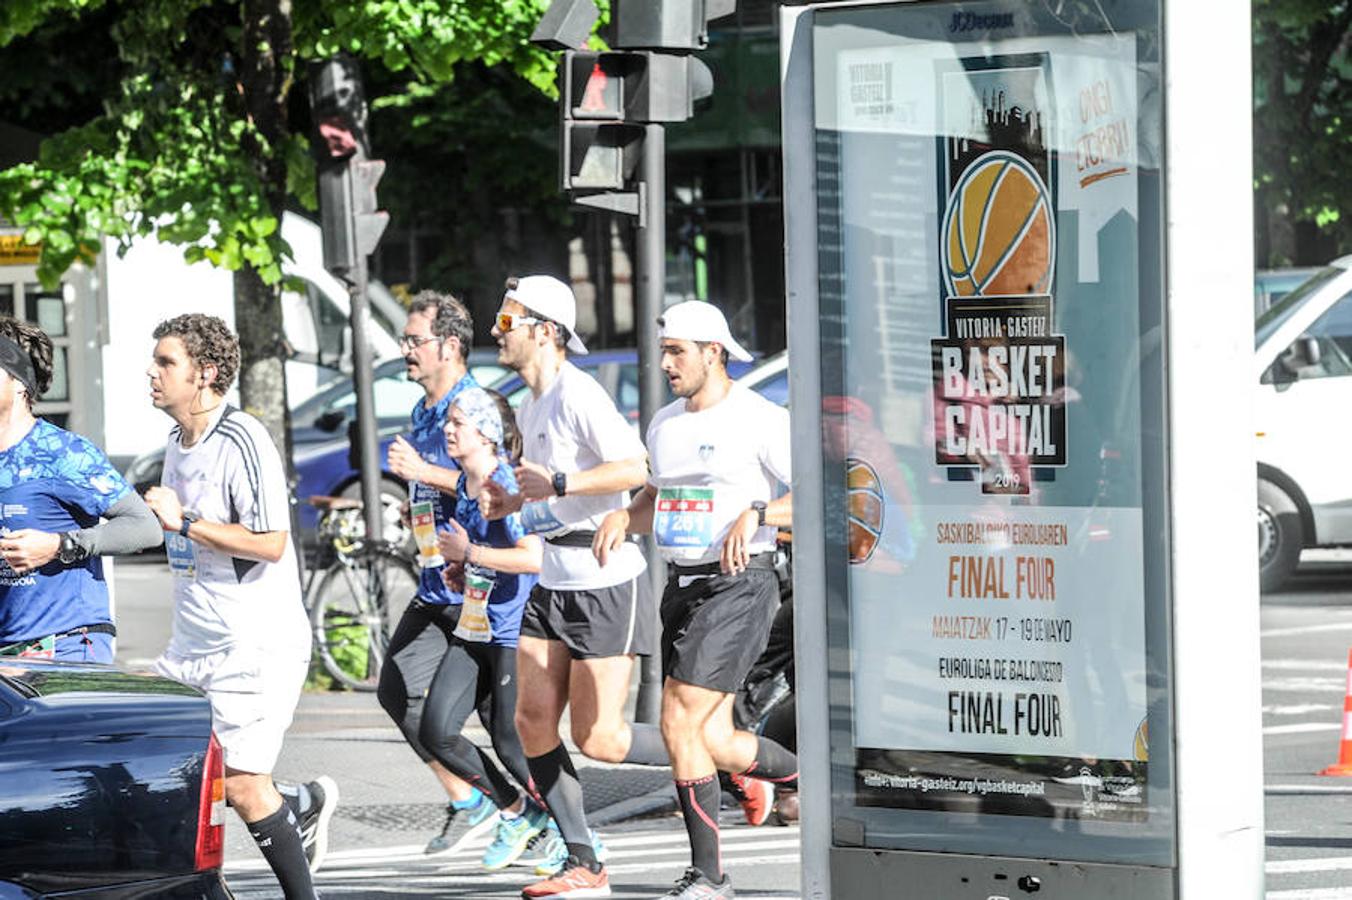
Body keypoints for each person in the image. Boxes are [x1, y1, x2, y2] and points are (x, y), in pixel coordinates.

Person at [594, 301, 799, 899]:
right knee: (709, 740)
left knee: (677, 718)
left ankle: (709, 877)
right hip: (682, 586)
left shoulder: (758, 417)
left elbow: (819, 492)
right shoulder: (665, 423)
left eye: (677, 351)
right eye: (663, 351)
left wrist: (759, 513)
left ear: (714, 352)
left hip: (742, 582)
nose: (665, 363)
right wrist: (622, 517)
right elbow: (658, 495)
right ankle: (796, 775)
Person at [480, 275, 666, 898]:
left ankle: (709, 752)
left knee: (600, 739)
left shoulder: (577, 393)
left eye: (507, 323)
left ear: (545, 331)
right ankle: (584, 861)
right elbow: (545, 500)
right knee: (531, 719)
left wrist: (558, 483)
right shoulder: (530, 403)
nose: (496, 332)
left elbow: (637, 467)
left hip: (603, 580)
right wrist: (512, 504)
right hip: (550, 578)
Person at [142, 313, 336, 899]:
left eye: (165, 362)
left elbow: (272, 543)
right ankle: (296, 805)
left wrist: (187, 521)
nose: (152, 373)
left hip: (254, 646)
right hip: (193, 645)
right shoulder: (177, 442)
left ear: (204, 374)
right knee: (168, 770)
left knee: (241, 788)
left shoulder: (241, 436)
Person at [377, 291, 501, 857]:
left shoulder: (472, 403)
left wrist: (424, 471)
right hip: (434, 576)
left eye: (414, 340)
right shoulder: (424, 409)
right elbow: (436, 486)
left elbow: (488, 482)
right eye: (405, 340)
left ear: (449, 346)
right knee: (396, 689)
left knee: (497, 723)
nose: (406, 349)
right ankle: (469, 799)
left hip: (473, 580)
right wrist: (417, 500)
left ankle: (532, 815)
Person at [422, 387, 554, 869]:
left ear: (487, 433)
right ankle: (518, 811)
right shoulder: (463, 484)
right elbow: (477, 552)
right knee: (435, 729)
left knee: (510, 741)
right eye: (449, 422)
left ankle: (572, 832)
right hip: (473, 623)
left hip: (510, 629)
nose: (448, 430)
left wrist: (471, 556)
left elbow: (532, 558)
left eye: (459, 423)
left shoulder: (503, 483)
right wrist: (463, 570)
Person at [0, 316, 162, 661]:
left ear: (18, 383)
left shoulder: (63, 453)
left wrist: (60, 544)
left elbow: (145, 527)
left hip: (65, 647)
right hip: (6, 657)